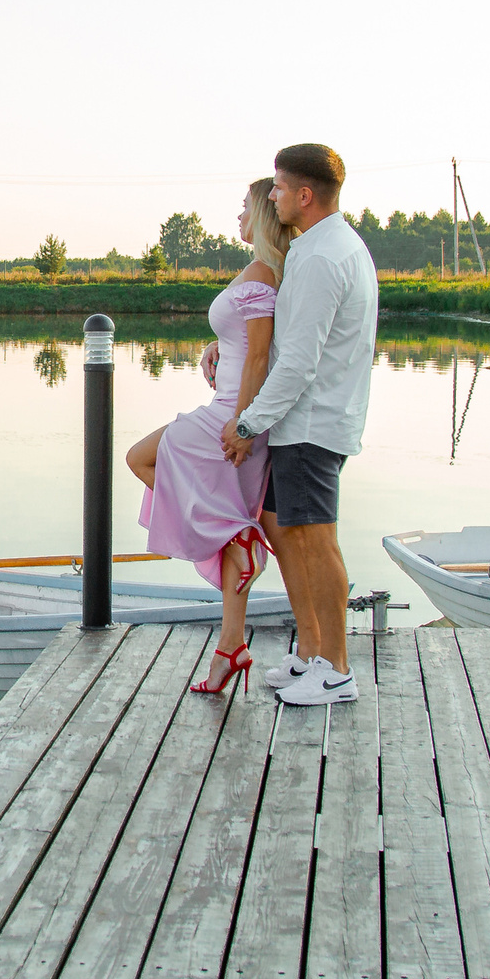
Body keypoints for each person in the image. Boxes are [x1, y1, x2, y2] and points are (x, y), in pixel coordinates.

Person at [221, 142, 378, 706]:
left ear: (305, 195)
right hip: (308, 421)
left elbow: (298, 361)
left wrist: (247, 425)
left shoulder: (319, 258)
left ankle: (336, 670)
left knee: (316, 542)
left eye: (281, 188)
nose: (275, 197)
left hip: (312, 423)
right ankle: (313, 658)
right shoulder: (333, 247)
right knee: (299, 535)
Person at [126, 178, 292, 695]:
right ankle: (230, 647)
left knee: (140, 458)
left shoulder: (264, 273)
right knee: (232, 525)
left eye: (244, 208)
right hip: (227, 409)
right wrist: (212, 349)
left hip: (229, 420)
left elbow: (261, 358)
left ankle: (236, 542)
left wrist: (242, 425)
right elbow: (245, 342)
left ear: (263, 215)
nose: (237, 216)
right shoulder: (258, 273)